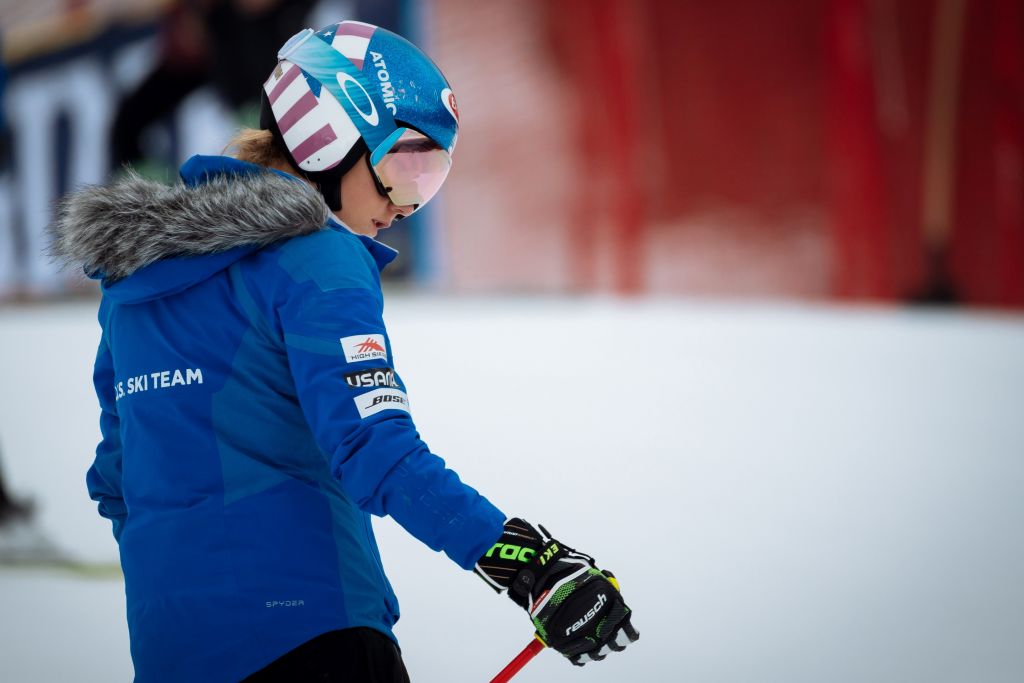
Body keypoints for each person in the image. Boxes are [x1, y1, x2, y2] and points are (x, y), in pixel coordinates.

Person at [51, 20, 638, 681]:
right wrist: (534, 567)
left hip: (169, 647)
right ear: (329, 138)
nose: (409, 204)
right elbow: (379, 452)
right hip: (315, 635)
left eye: (431, 176)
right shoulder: (316, 258)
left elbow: (116, 476)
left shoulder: (133, 281)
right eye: (406, 165)